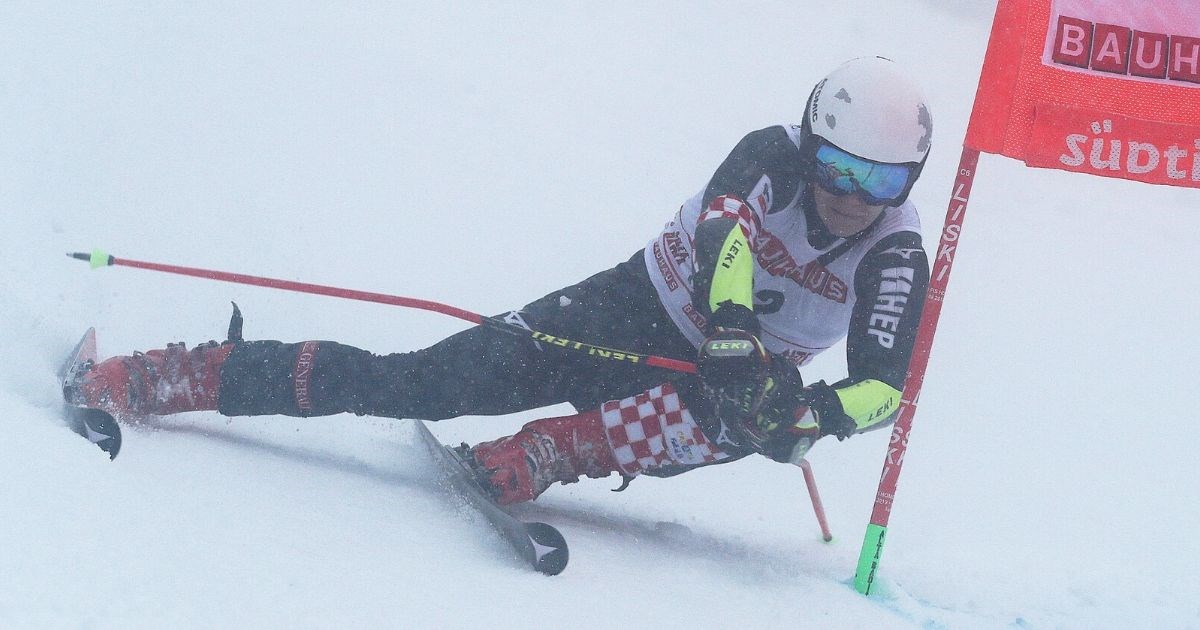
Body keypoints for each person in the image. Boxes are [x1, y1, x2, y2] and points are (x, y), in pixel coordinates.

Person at [73, 56, 933, 505]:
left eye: (882, 182)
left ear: (910, 182)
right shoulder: (770, 153)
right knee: (422, 382)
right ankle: (189, 374)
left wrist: (813, 417)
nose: (852, 196)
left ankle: (548, 453)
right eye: (838, 167)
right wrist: (735, 324)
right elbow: (724, 235)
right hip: (632, 307)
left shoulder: (896, 253)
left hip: (716, 385)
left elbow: (885, 389)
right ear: (811, 141)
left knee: (753, 410)